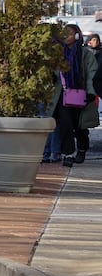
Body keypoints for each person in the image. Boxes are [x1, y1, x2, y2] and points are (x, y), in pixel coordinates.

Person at [53, 23, 98, 168]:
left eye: (70, 33)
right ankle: (68, 154)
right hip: (63, 94)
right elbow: (53, 72)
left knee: (80, 126)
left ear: (77, 36)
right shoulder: (58, 53)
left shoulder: (85, 53)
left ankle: (82, 148)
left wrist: (91, 92)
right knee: (65, 125)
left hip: (81, 93)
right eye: (64, 33)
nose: (66, 36)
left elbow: (92, 73)